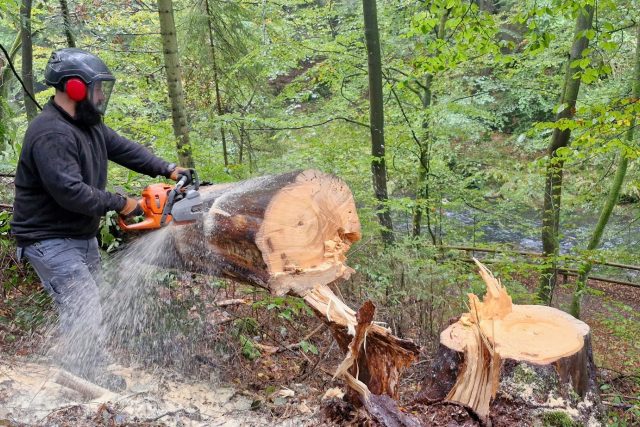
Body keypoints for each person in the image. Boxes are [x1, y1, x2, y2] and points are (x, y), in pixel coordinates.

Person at [10, 48, 192, 391]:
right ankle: (82, 375)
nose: (101, 94)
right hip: (47, 239)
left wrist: (167, 169)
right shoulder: (51, 133)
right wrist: (123, 203)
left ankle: (84, 367)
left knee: (88, 304)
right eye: (97, 88)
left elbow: (122, 148)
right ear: (75, 88)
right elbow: (71, 192)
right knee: (84, 305)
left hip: (80, 235)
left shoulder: (87, 124)